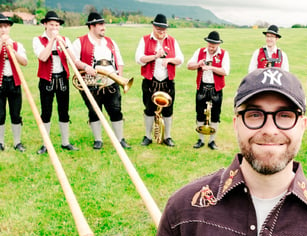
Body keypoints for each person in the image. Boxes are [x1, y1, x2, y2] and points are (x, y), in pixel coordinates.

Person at [156, 67, 307, 236]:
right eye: (254, 115)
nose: (269, 130)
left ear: (302, 126)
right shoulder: (184, 210)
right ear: (236, 124)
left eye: (285, 115)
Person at [73, 12, 130, 150]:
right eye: (100, 25)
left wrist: (119, 79)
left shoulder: (111, 42)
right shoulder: (79, 41)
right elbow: (74, 60)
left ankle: (120, 139)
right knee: (94, 111)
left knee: (116, 111)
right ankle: (98, 140)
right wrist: (86, 67)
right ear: (91, 26)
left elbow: (119, 62)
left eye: (103, 24)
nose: (103, 27)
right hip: (91, 83)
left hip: (111, 83)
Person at [32, 11, 78, 154]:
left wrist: (65, 45)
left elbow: (73, 60)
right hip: (47, 80)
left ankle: (65, 142)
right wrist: (52, 40)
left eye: (57, 25)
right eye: (51, 25)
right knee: (46, 112)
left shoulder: (64, 39)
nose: (54, 28)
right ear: (45, 24)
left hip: (62, 79)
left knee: (64, 111)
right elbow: (43, 57)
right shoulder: (38, 40)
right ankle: (46, 144)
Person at [135, 13, 184, 147]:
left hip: (167, 82)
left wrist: (169, 60)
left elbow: (180, 60)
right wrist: (155, 56)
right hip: (150, 82)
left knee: (168, 110)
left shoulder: (172, 41)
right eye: (159, 29)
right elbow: (139, 59)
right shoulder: (145, 40)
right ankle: (147, 136)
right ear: (153, 27)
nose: (161, 32)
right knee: (149, 109)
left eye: (164, 30)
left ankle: (167, 137)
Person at [187, 31, 230, 150]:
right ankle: (200, 140)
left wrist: (210, 67)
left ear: (218, 44)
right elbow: (189, 66)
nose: (211, 48)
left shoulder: (224, 54)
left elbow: (225, 71)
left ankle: (212, 141)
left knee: (215, 114)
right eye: (209, 45)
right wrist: (198, 64)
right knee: (200, 113)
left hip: (216, 88)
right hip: (202, 86)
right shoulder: (200, 52)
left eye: (213, 46)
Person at [0, 13, 27, 152]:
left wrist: (13, 50)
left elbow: (24, 62)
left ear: (9, 28)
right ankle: (0, 142)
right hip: (0, 83)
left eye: (6, 26)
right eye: (0, 27)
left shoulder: (17, 44)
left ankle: (17, 142)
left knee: (16, 114)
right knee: (0, 114)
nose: (3, 29)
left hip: (14, 82)